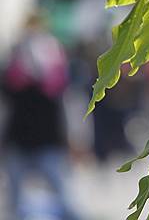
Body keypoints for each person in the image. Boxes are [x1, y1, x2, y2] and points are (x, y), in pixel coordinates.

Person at [0, 13, 81, 220]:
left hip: (49, 140)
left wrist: (73, 136)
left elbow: (66, 103)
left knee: (65, 200)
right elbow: (6, 105)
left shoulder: (56, 62)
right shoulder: (13, 63)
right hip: (19, 140)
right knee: (14, 204)